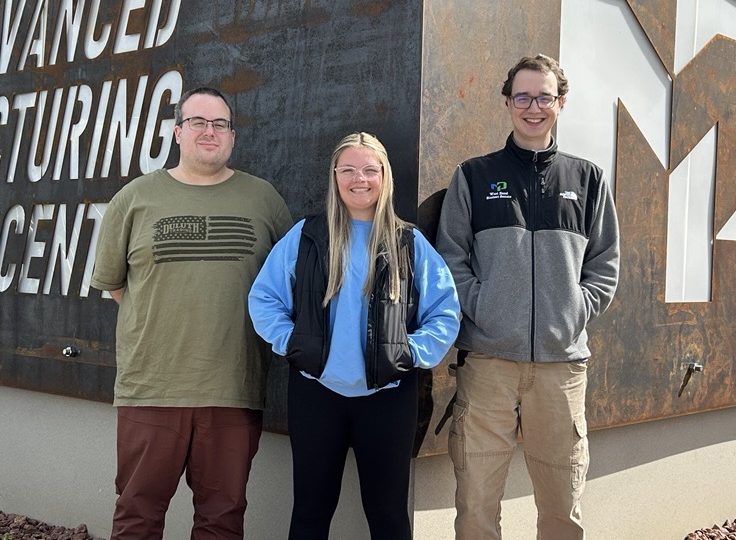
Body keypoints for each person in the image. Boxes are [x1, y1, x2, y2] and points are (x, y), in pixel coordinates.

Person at [91, 86, 293, 539]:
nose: (209, 131)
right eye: (198, 122)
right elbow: (116, 287)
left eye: (219, 124)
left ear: (233, 137)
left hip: (234, 390)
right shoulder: (135, 198)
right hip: (151, 390)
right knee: (137, 516)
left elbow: (287, 284)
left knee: (221, 520)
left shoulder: (263, 200)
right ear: (178, 132)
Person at [436, 54, 620, 539]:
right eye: (522, 97)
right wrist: (486, 308)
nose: (532, 107)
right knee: (476, 501)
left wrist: (572, 311)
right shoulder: (474, 176)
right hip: (489, 364)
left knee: (563, 505)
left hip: (561, 369)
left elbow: (604, 266)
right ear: (506, 102)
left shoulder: (588, 179)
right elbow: (451, 260)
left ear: (561, 103)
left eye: (544, 97)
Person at [248, 131, 460, 540]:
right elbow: (264, 299)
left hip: (388, 397)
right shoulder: (307, 236)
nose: (358, 178)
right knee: (310, 513)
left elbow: (445, 311)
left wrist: (409, 352)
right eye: (347, 169)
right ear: (334, 175)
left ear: (384, 176)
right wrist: (293, 343)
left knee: (388, 518)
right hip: (315, 395)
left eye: (369, 169)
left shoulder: (407, 242)